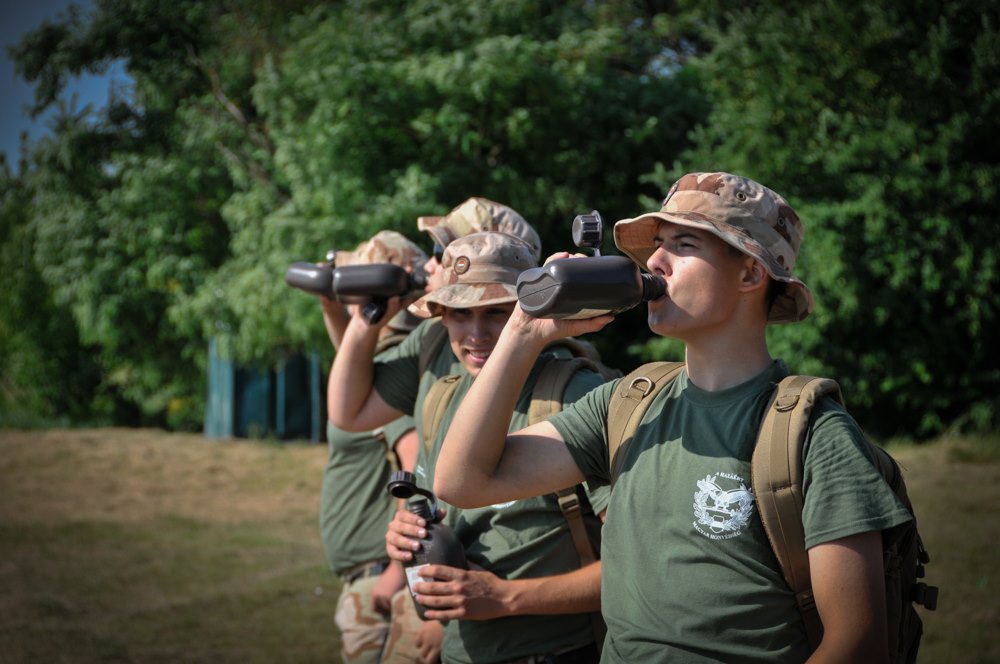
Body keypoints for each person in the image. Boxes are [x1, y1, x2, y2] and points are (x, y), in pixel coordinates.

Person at [434, 172, 914, 663]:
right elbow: (462, 481)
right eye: (657, 245)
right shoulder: (626, 404)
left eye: (683, 245)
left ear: (751, 274)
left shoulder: (814, 435)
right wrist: (523, 332)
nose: (654, 262)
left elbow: (858, 643)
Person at [328, 230, 611, 664]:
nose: (476, 333)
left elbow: (636, 566)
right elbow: (350, 415)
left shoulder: (576, 395)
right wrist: (409, 534)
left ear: (529, 308)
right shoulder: (442, 397)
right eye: (460, 314)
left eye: (496, 312)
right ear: (441, 317)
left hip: (556, 652)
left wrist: (506, 597)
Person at [316, 231, 428, 664]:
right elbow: (349, 354)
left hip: (379, 575)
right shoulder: (383, 356)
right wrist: (330, 307)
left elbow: (415, 464)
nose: (347, 297)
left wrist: (397, 571)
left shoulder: (395, 367)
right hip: (371, 571)